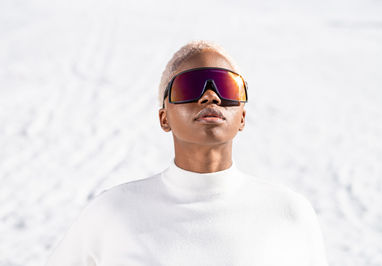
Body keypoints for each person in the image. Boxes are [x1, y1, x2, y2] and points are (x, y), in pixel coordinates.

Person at [46, 40, 329, 266]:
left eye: (228, 86)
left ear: (242, 117)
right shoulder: (111, 212)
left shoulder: (289, 212)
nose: (211, 97)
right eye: (190, 87)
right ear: (164, 118)